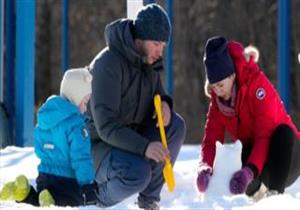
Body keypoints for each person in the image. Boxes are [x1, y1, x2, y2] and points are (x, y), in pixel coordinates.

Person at [86, 3, 186, 210]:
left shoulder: (148, 61)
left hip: (131, 138)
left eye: (163, 45)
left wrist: (165, 104)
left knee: (175, 126)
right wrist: (145, 147)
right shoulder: (108, 64)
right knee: (138, 173)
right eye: (156, 43)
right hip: (99, 147)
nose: (160, 51)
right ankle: (96, 198)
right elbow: (106, 127)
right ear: (139, 38)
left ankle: (148, 201)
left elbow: (158, 93)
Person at [196, 36, 300, 200]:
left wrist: (249, 171)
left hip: (289, 157)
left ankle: (275, 197)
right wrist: (205, 166)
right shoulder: (218, 102)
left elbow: (264, 136)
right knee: (239, 152)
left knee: (283, 133)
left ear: (232, 76)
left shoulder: (257, 86)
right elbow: (210, 140)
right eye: (213, 86)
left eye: (221, 85)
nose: (217, 91)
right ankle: (256, 193)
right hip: (261, 161)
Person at [0, 68, 99, 207]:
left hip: (44, 176)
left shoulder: (46, 117)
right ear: (76, 97)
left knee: (43, 201)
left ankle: (24, 193)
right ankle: (46, 202)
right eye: (85, 101)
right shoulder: (76, 124)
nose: (85, 107)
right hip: (67, 181)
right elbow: (81, 157)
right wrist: (87, 184)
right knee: (68, 203)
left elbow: (40, 148)